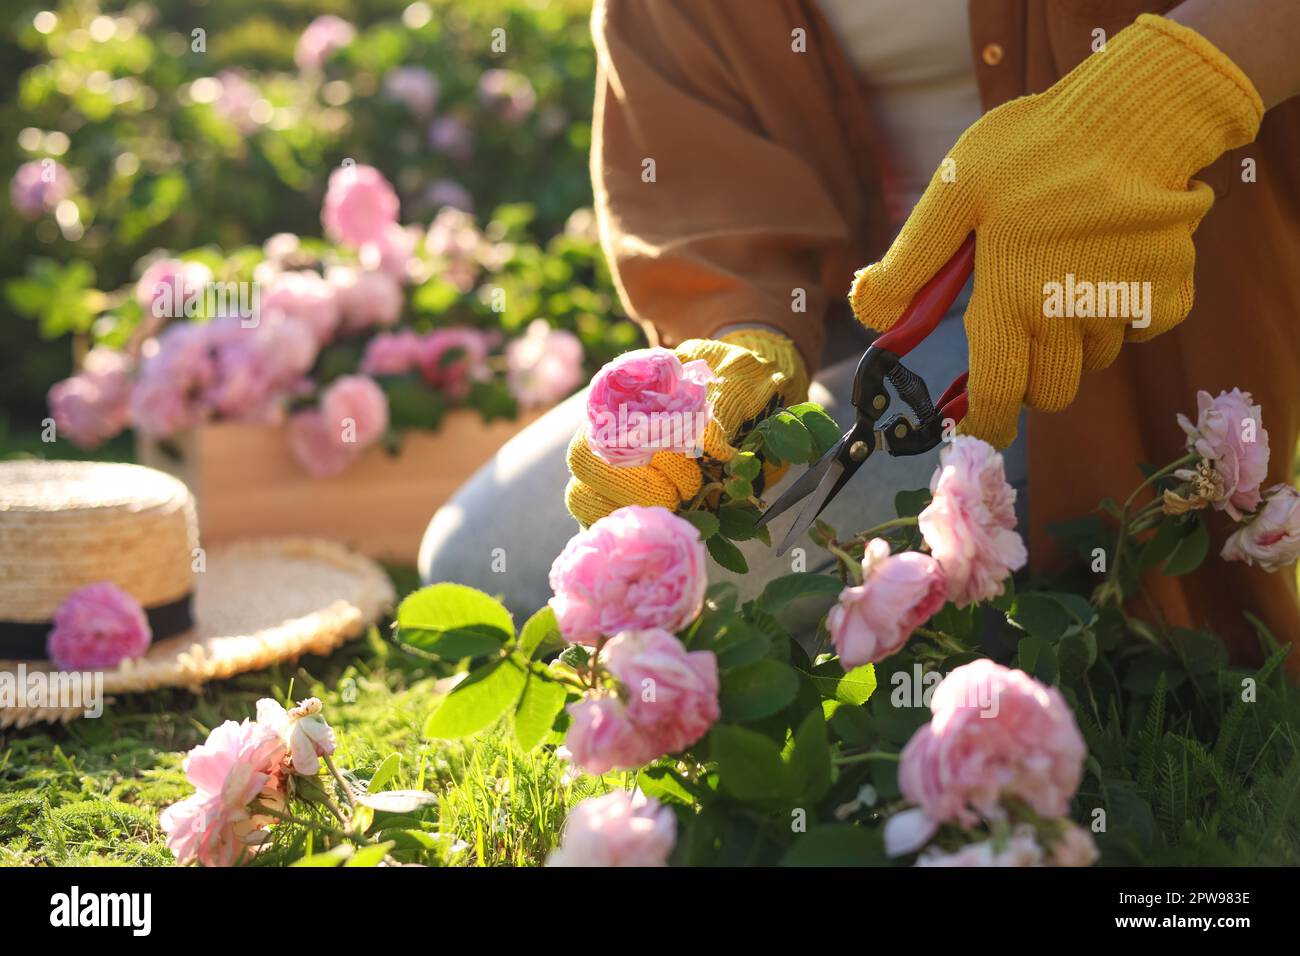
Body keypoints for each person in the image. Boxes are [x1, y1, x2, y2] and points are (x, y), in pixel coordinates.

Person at [421, 0, 1300, 671]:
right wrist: (743, 343)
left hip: (1101, 305)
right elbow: (694, 162)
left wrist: (1155, 100)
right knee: (484, 560)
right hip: (869, 319)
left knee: (697, 588)